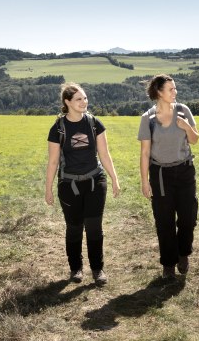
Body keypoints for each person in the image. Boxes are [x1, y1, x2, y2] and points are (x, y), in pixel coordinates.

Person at [45, 82, 120, 286]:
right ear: (67, 102)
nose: (84, 102)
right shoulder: (58, 129)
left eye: (85, 98)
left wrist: (114, 178)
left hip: (95, 182)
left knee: (94, 227)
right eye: (78, 99)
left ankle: (97, 269)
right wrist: (48, 189)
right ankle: (76, 269)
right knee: (74, 228)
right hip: (69, 186)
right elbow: (53, 161)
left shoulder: (95, 123)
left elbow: (104, 154)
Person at [138, 74, 199, 279]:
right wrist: (145, 181)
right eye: (171, 89)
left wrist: (186, 126)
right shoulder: (148, 119)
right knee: (164, 221)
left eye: (175, 88)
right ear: (158, 92)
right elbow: (145, 152)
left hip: (184, 171)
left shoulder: (183, 111)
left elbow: (195, 139)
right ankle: (168, 264)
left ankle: (183, 253)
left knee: (187, 218)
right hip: (161, 175)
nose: (175, 92)